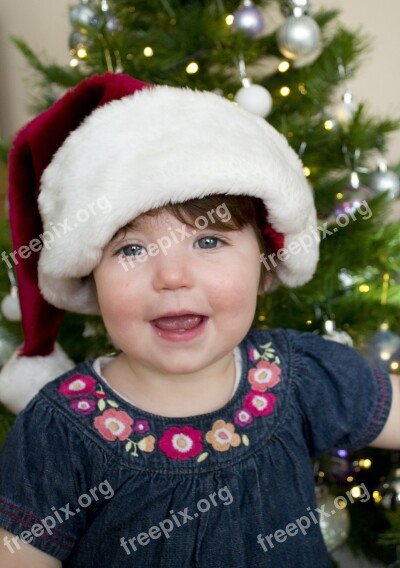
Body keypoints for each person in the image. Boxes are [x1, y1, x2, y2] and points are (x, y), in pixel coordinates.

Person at [0, 73, 398, 568]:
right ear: (89, 275)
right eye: (131, 248)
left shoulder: (300, 375)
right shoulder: (59, 429)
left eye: (209, 241)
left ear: (264, 268)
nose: (171, 275)